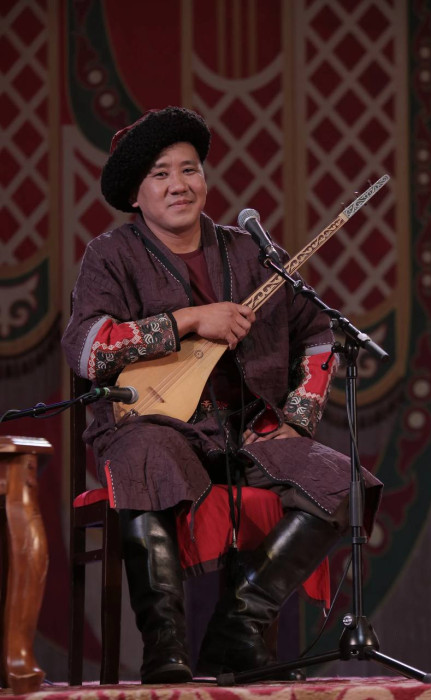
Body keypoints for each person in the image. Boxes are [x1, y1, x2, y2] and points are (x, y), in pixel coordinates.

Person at [62, 106, 382, 684]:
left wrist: (298, 417)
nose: (179, 185)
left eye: (189, 169)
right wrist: (187, 320)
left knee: (346, 485)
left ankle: (238, 628)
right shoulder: (111, 256)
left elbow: (317, 334)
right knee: (145, 455)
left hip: (246, 432)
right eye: (161, 174)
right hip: (155, 427)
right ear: (135, 194)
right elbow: (88, 349)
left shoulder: (250, 252)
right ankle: (164, 646)